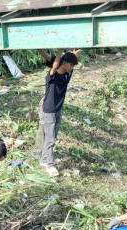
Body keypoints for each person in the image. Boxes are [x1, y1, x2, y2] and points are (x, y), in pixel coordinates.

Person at [38, 49, 79, 177]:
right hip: (49, 110)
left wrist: (74, 55)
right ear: (64, 63)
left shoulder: (67, 74)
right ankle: (50, 164)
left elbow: (65, 64)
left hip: (58, 109)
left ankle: (44, 160)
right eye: (71, 65)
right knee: (50, 138)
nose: (72, 68)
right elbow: (55, 65)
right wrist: (60, 52)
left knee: (52, 137)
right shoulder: (52, 76)